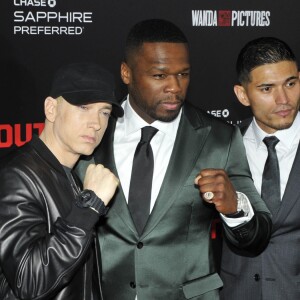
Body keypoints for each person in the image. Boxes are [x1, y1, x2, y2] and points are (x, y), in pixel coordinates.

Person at [76, 19, 272, 300]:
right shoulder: (92, 135)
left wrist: (235, 206)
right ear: (126, 73)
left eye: (183, 74)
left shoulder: (218, 138)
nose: (175, 88)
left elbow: (259, 234)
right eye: (159, 76)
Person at [0, 62, 124, 299]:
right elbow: (28, 281)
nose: (96, 123)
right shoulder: (16, 175)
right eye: (83, 107)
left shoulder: (74, 177)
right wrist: (89, 206)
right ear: (51, 109)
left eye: (104, 112)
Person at [220, 37, 300, 300]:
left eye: (291, 83)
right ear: (243, 94)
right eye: (267, 89)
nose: (283, 99)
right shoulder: (219, 146)